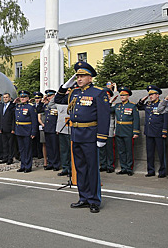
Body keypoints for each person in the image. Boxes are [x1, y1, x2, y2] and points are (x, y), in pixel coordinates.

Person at [54, 61, 110, 213]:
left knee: (92, 169)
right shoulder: (74, 92)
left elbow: (104, 117)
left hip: (90, 135)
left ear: (90, 78)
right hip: (76, 134)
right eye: (77, 76)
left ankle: (94, 200)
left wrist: (102, 137)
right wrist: (65, 86)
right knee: (80, 168)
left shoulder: (98, 92)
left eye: (82, 76)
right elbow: (58, 100)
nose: (79, 79)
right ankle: (83, 197)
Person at [137, 85, 168, 178]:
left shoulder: (161, 104)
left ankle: (163, 171)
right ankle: (150, 170)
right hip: (149, 132)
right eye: (150, 95)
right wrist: (142, 100)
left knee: (161, 153)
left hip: (159, 132)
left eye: (153, 94)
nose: (151, 96)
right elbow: (138, 107)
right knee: (149, 153)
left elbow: (165, 118)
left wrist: (164, 131)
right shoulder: (148, 104)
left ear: (157, 95)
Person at [112, 87, 140, 176]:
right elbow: (107, 110)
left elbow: (136, 120)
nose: (122, 97)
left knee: (129, 151)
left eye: (124, 95)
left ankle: (129, 168)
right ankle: (123, 168)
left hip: (128, 131)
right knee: (121, 151)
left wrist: (135, 132)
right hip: (119, 131)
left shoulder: (132, 106)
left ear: (128, 96)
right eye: (121, 95)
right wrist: (110, 101)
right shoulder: (117, 105)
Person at [14, 90, 39, 173]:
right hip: (19, 130)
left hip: (27, 130)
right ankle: (23, 165)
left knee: (27, 149)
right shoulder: (18, 106)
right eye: (21, 97)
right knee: (21, 149)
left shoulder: (30, 107)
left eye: (24, 97)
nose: (22, 98)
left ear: (28, 98)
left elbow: (34, 120)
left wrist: (33, 132)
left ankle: (28, 166)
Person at [99, 87, 117, 173]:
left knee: (110, 149)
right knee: (101, 149)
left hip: (109, 129)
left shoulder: (113, 105)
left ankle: (110, 166)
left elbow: (109, 111)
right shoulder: (99, 105)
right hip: (100, 130)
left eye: (107, 95)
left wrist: (114, 130)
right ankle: (103, 165)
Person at [42, 90, 61, 171]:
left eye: (50, 96)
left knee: (55, 147)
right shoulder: (46, 105)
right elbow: (39, 110)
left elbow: (59, 118)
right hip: (47, 128)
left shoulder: (56, 105)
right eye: (48, 96)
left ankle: (56, 164)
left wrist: (58, 128)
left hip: (54, 129)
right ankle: (51, 163)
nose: (49, 98)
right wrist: (43, 101)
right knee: (49, 147)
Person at [0, 92, 16, 165]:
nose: (5, 99)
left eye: (6, 97)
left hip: (10, 128)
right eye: (4, 97)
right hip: (2, 128)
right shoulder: (1, 106)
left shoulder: (12, 106)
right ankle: (5, 157)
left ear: (10, 98)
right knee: (4, 144)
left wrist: (13, 129)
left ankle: (10, 158)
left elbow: (14, 119)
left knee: (10, 144)